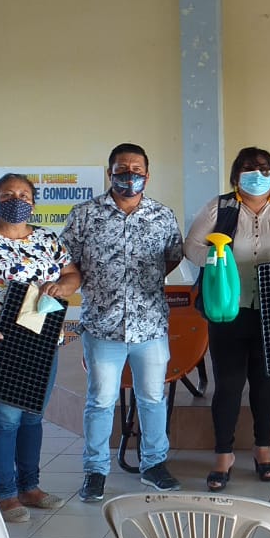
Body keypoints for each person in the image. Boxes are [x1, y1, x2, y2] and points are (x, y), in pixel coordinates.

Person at [185, 147, 270, 491]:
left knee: (264, 384)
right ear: (236, 176)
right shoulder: (219, 208)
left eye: (264, 168)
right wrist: (216, 258)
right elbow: (191, 246)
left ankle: (263, 450)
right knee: (229, 384)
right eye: (248, 168)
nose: (257, 174)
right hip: (227, 309)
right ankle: (224, 455)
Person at [0, 173, 82, 522]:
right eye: (8, 194)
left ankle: (30, 487)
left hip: (40, 340)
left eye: (24, 194)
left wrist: (63, 287)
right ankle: (5, 493)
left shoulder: (48, 240)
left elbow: (72, 275)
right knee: (5, 419)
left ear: (34, 203)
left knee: (32, 415)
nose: (16, 199)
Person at [61, 143, 185, 502]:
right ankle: (95, 471)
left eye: (137, 170)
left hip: (150, 326)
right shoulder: (84, 214)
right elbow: (66, 260)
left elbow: (172, 257)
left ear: (147, 174)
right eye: (121, 170)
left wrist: (144, 283)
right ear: (109, 173)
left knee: (153, 398)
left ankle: (154, 465)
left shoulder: (162, 215)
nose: (129, 176)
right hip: (103, 326)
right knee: (100, 401)